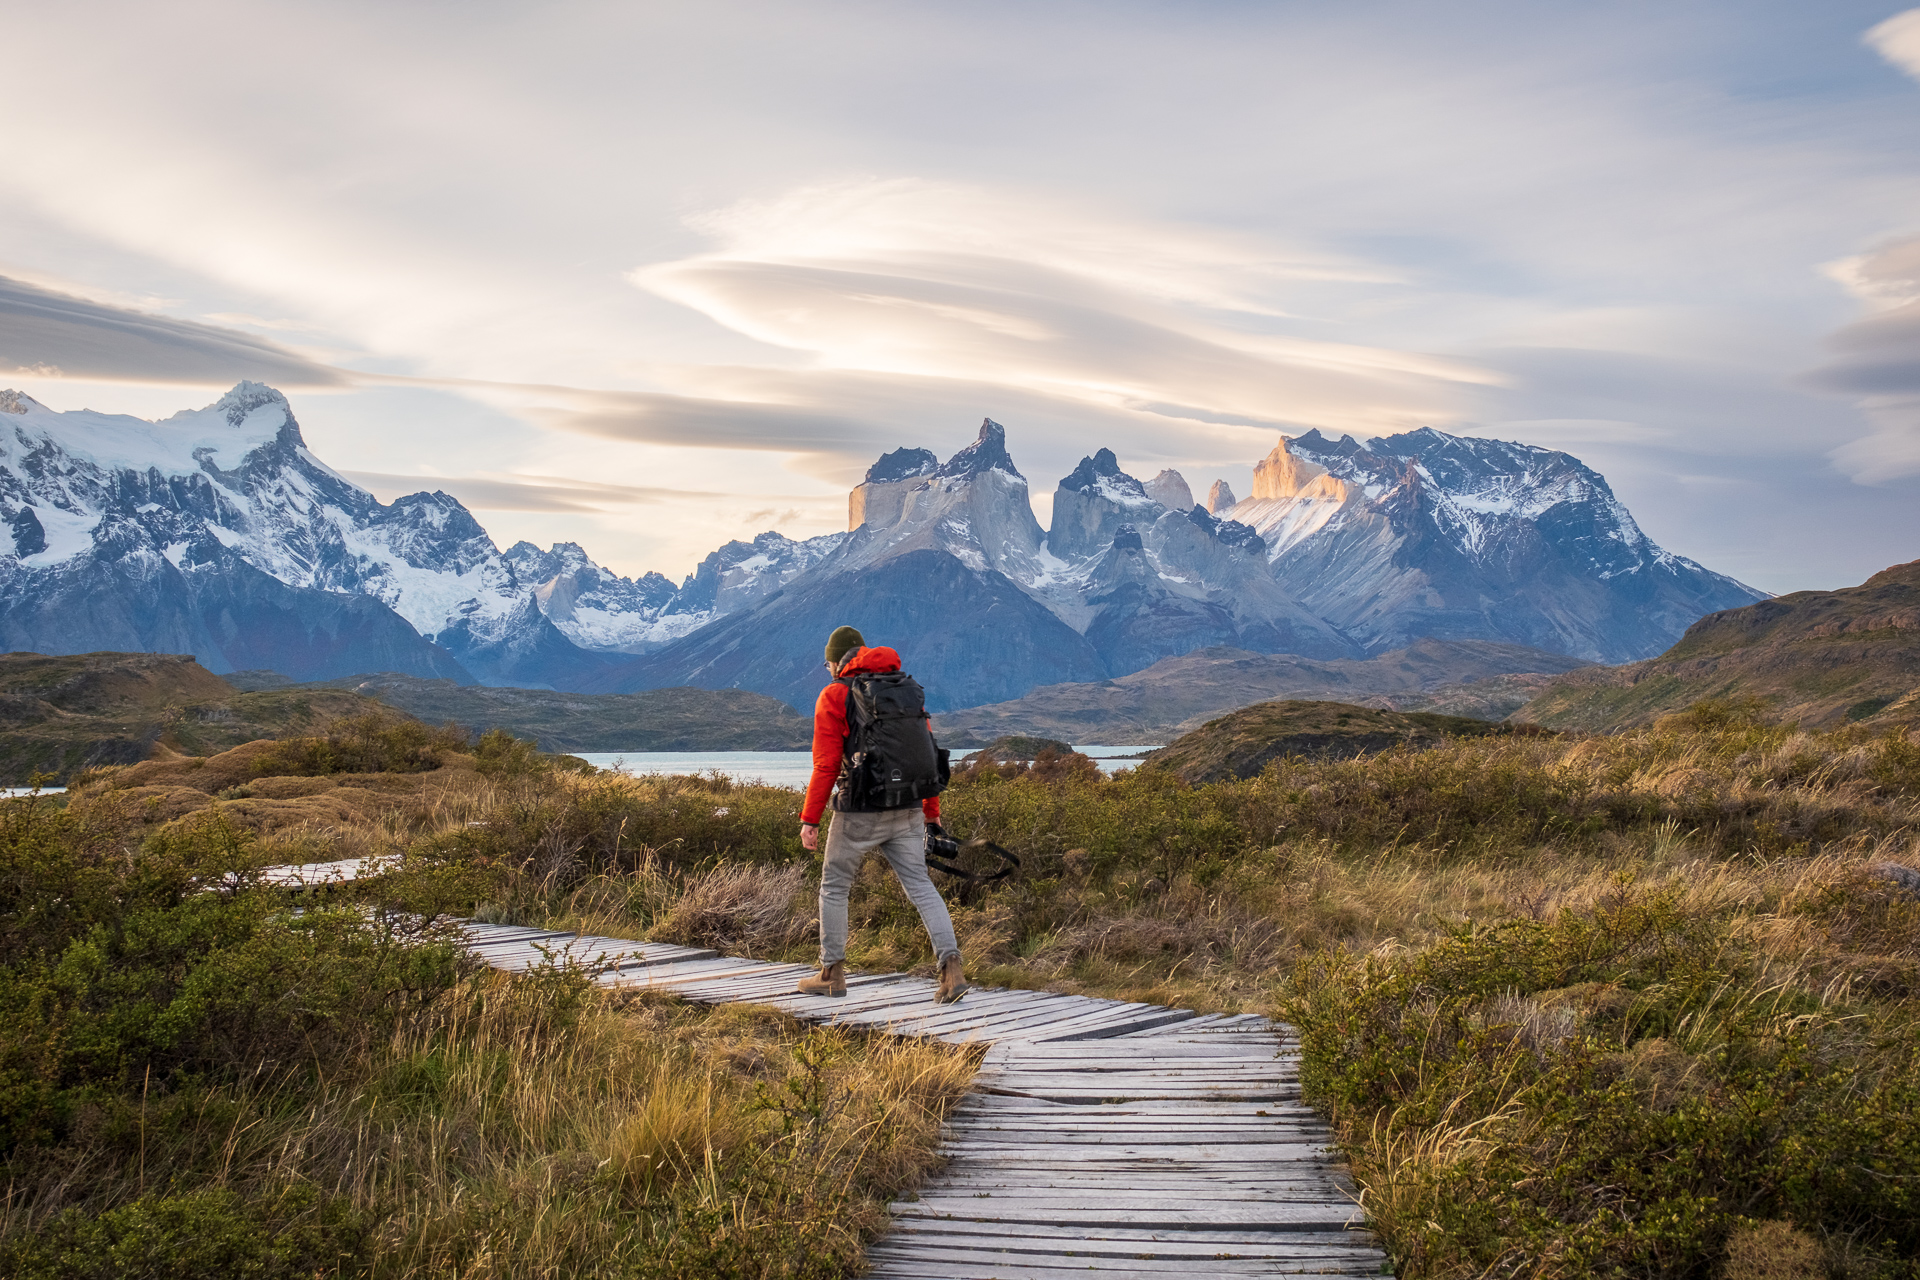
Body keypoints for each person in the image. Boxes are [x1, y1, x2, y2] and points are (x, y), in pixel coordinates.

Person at [796, 625, 970, 1004]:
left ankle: (831, 973)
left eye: (827, 662)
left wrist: (810, 820)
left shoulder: (835, 694)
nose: (827, 669)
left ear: (835, 661)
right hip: (907, 806)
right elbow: (925, 757)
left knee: (835, 886)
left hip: (859, 810)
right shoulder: (903, 690)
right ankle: (952, 969)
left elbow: (826, 765)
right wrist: (931, 814)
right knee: (922, 887)